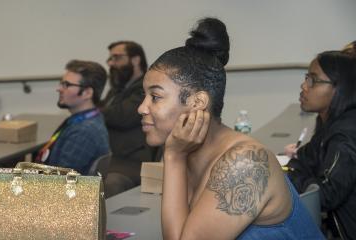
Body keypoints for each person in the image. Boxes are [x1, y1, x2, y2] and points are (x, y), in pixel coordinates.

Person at [138, 17, 324, 239]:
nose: (142, 108)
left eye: (155, 97)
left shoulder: (244, 162)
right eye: (144, 96)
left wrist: (173, 156)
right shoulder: (190, 152)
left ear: (197, 103)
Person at [285, 50, 356, 239]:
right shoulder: (329, 124)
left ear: (339, 88)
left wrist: (301, 178)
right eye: (306, 78)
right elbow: (302, 159)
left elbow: (325, 195)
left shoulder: (344, 135)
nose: (304, 86)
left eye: (313, 80)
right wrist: (304, 176)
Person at [99, 41, 158, 194]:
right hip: (112, 158)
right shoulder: (117, 89)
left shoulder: (147, 87)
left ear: (135, 60)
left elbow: (121, 117)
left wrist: (90, 108)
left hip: (133, 160)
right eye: (110, 59)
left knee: (110, 183)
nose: (111, 63)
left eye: (117, 58)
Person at [36, 60, 109, 175]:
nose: (59, 89)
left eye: (67, 85)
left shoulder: (84, 132)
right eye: (61, 83)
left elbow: (60, 181)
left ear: (87, 93)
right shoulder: (83, 120)